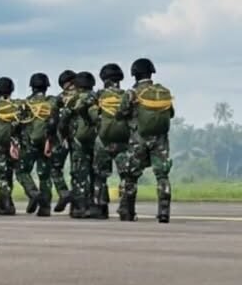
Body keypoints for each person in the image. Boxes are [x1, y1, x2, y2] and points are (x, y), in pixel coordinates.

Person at [119, 57, 174, 223]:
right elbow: (171, 113)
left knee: (131, 176)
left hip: (138, 139)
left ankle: (128, 212)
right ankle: (164, 212)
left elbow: (121, 113)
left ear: (134, 74)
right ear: (151, 73)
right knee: (162, 175)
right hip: (160, 140)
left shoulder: (132, 93)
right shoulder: (161, 92)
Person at [92, 63, 131, 220]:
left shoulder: (98, 96)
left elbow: (91, 114)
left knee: (100, 176)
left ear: (104, 79)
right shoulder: (127, 95)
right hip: (124, 141)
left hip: (103, 141)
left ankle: (101, 208)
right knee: (126, 176)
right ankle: (125, 208)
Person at [15, 73, 56, 217]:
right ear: (46, 87)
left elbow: (17, 125)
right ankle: (45, 208)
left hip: (29, 144)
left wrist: (15, 142)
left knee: (21, 171)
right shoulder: (52, 102)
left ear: (32, 87)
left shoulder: (25, 103)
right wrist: (51, 140)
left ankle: (33, 193)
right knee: (45, 175)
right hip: (46, 142)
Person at [60, 71, 97, 218]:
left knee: (79, 173)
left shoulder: (74, 99)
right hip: (96, 140)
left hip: (78, 141)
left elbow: (63, 120)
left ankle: (80, 208)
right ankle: (99, 207)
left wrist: (63, 136)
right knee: (96, 173)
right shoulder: (97, 97)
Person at [0, 77, 21, 215]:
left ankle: (5, 204)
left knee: (2, 175)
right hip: (13, 143)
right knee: (9, 173)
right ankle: (7, 203)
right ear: (11, 90)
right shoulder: (17, 106)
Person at [51, 70, 77, 212]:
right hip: (81, 138)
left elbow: (53, 120)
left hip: (63, 139)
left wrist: (52, 138)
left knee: (55, 168)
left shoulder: (60, 98)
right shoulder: (86, 95)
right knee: (78, 171)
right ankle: (79, 205)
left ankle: (63, 192)